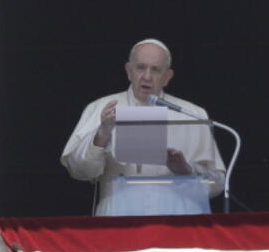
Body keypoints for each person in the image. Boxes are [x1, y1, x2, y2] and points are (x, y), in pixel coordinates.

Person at [61, 39, 225, 216]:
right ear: (129, 71)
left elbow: (217, 185)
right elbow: (79, 171)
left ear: (167, 77)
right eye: (141, 67)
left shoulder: (193, 114)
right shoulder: (101, 108)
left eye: (155, 70)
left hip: (179, 217)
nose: (147, 76)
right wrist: (102, 134)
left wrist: (185, 171)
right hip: (119, 215)